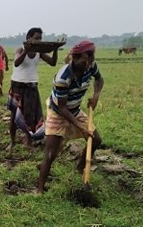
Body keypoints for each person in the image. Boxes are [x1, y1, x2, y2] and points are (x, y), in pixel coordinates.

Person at [37, 40, 104, 193]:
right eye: (89, 56)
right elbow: (62, 108)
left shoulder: (91, 66)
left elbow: (99, 79)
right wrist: (80, 127)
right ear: (78, 57)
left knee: (96, 140)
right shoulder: (63, 78)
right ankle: (40, 190)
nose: (91, 60)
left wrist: (96, 96)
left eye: (92, 56)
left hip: (74, 110)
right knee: (50, 153)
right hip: (59, 112)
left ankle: (80, 168)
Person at [6, 27, 58, 150]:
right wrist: (26, 51)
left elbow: (52, 63)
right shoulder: (20, 49)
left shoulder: (39, 52)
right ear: (29, 38)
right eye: (36, 38)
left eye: (40, 38)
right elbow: (16, 62)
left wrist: (55, 50)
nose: (39, 41)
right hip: (18, 86)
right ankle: (12, 142)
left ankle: (28, 142)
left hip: (31, 87)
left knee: (31, 116)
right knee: (14, 116)